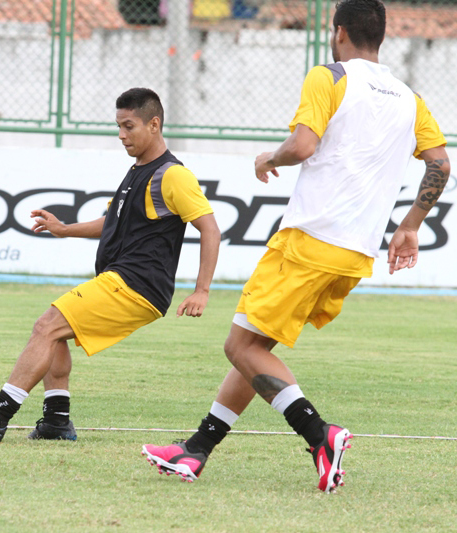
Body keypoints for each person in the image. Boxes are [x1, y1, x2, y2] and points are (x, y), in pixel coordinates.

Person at [142, 0, 449, 492]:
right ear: (382, 36)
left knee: (238, 345)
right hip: (355, 253)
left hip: (309, 239)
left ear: (340, 31)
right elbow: (440, 164)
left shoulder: (330, 76)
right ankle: (197, 449)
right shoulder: (409, 98)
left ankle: (319, 433)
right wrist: (410, 225)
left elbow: (303, 146)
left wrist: (270, 156)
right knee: (256, 346)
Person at [0, 88, 221, 442]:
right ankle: (56, 423)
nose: (121, 134)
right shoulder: (138, 171)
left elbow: (210, 228)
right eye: (118, 126)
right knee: (54, 334)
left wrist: (202, 290)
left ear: (154, 124)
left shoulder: (173, 175)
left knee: (46, 326)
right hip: (121, 280)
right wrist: (64, 229)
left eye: (128, 126)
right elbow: (112, 222)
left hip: (136, 285)